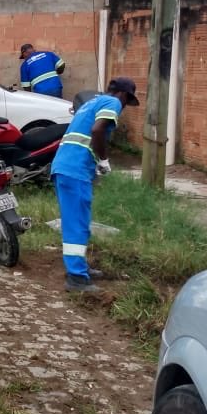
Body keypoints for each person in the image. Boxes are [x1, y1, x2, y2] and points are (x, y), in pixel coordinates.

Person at [50, 76, 139, 293]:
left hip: (67, 167)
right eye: (128, 101)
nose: (125, 106)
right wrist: (104, 159)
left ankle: (80, 267)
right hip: (74, 170)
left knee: (79, 220)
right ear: (124, 95)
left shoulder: (93, 102)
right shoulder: (113, 103)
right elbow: (98, 130)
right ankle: (77, 279)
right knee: (76, 224)